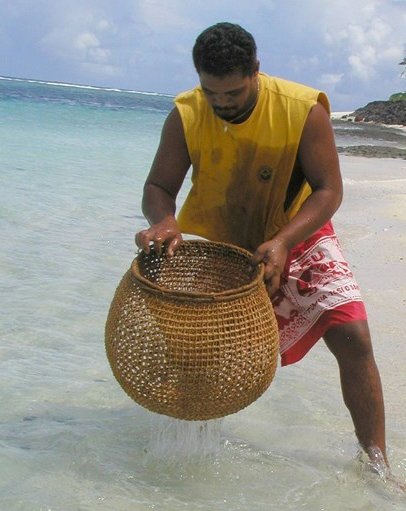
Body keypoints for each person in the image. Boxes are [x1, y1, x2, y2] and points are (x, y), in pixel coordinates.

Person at [135, 22, 390, 471]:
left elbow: (328, 190)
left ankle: (376, 465)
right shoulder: (186, 113)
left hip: (298, 234)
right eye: (211, 92)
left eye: (232, 93)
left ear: (256, 70)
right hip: (227, 249)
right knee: (198, 356)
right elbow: (158, 186)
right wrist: (165, 222)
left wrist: (283, 240)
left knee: (354, 338)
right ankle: (189, 459)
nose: (221, 104)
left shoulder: (301, 109)